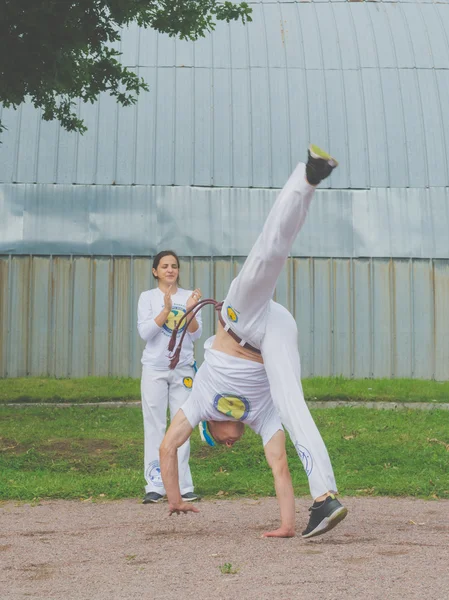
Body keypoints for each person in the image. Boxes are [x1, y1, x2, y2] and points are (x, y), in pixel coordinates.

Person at [159, 146, 348, 539]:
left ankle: (309, 177)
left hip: (241, 318)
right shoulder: (261, 417)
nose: (227, 446)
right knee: (293, 404)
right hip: (275, 334)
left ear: (210, 425)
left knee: (269, 254)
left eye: (215, 442)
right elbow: (278, 464)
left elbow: (168, 446)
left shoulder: (199, 402)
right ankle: (324, 498)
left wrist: (173, 498)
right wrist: (285, 525)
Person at [137, 250, 203, 504]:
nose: (170, 270)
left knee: (182, 426)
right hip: (154, 368)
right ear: (155, 271)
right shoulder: (148, 298)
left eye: (174, 266)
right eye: (164, 266)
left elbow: (195, 334)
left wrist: (189, 310)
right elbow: (145, 332)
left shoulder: (189, 297)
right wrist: (165, 310)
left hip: (183, 369)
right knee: (154, 425)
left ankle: (183, 485)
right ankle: (155, 485)